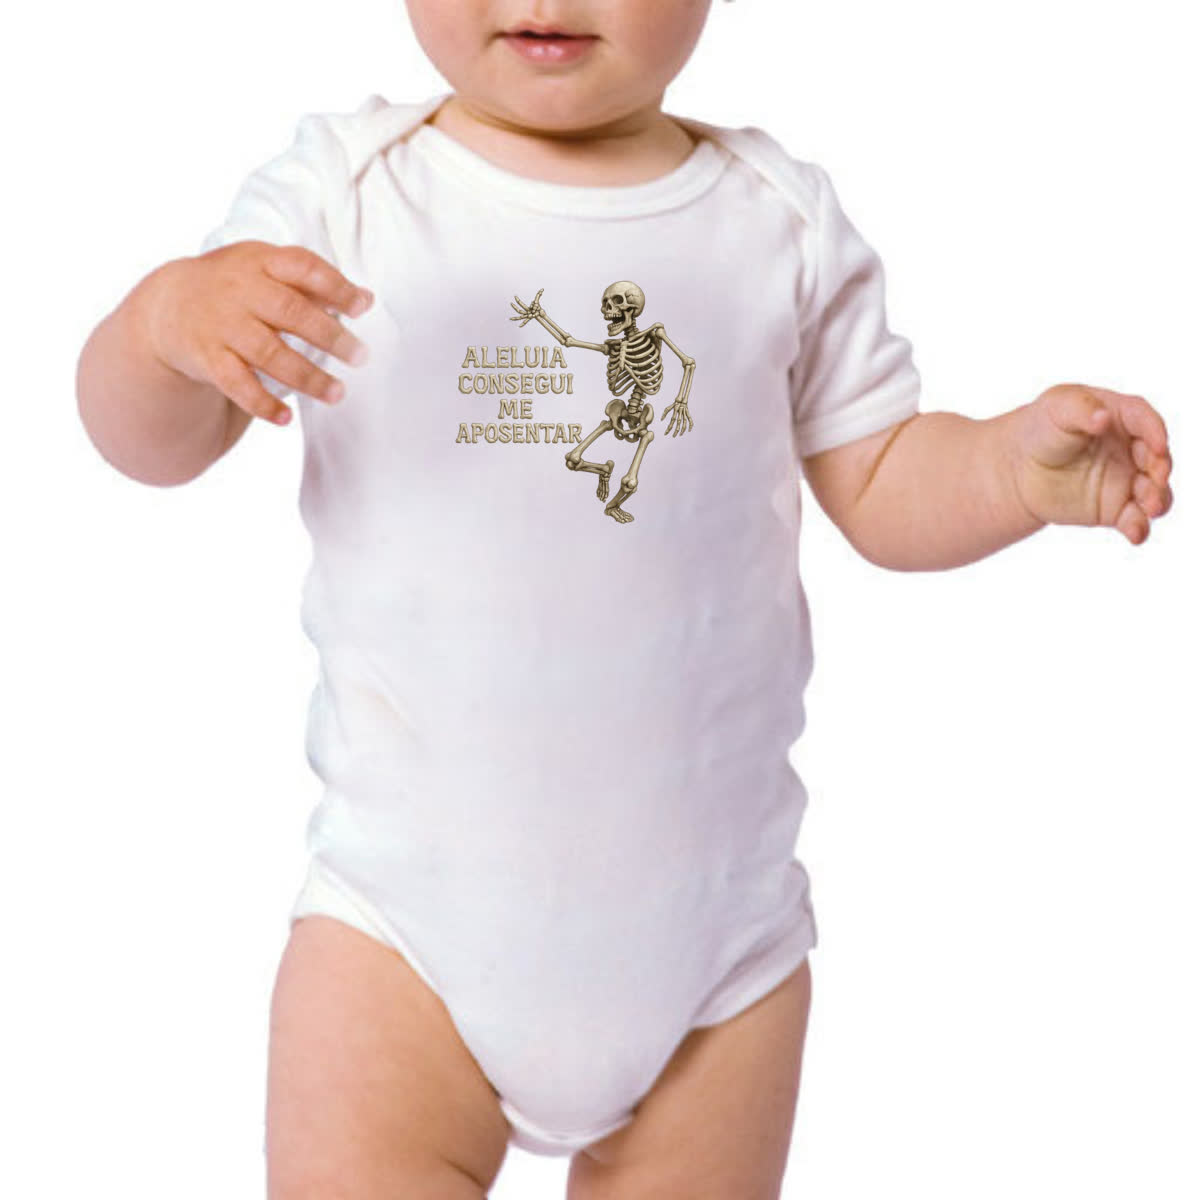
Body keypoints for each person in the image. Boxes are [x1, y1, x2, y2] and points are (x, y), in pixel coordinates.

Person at [74, 2, 1174, 1196]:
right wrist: (165, 327)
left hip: (715, 968)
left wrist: (1011, 472)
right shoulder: (342, 196)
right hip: (402, 944)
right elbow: (154, 446)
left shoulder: (778, 221)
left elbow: (882, 478)